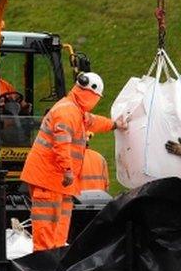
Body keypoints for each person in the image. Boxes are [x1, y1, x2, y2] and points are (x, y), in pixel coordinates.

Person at [20, 72, 116, 250]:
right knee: (47, 226)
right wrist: (68, 170)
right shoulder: (67, 111)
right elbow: (61, 143)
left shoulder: (76, 111)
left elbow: (94, 122)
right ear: (91, 94)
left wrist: (115, 124)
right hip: (49, 178)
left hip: (57, 181)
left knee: (59, 227)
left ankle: (54, 259)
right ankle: (44, 264)